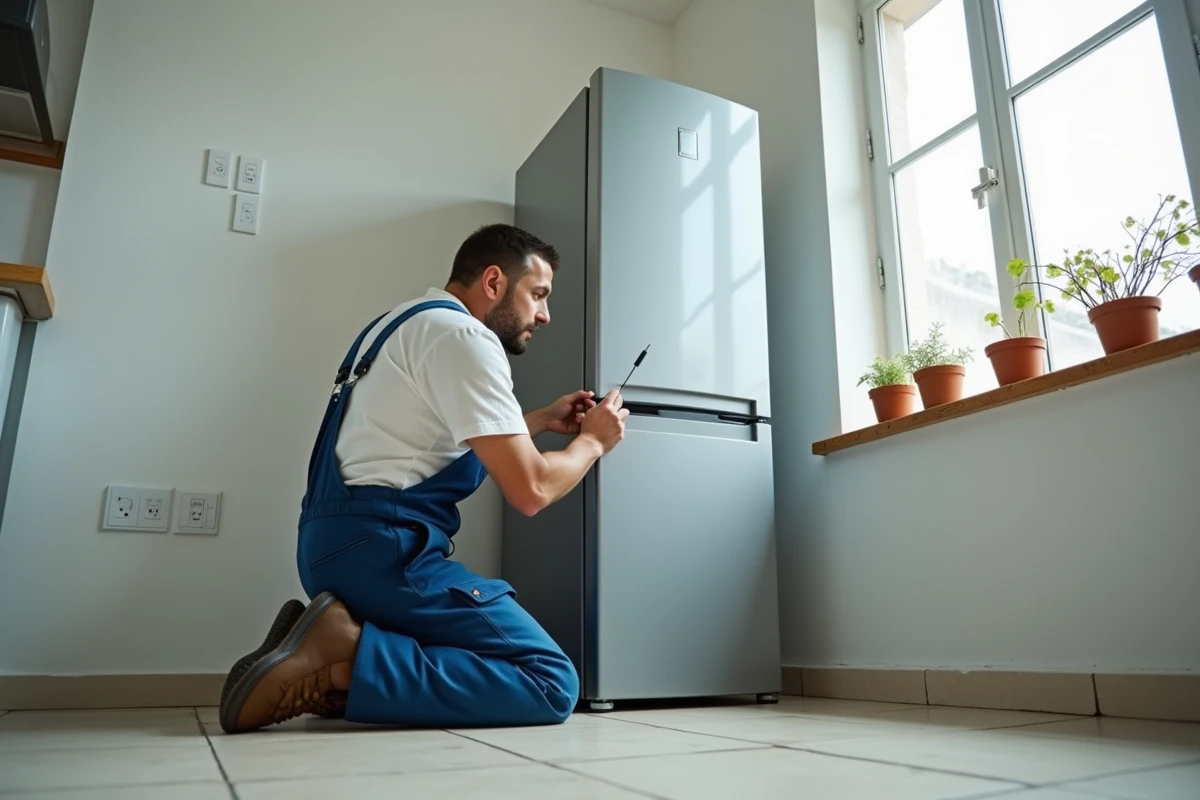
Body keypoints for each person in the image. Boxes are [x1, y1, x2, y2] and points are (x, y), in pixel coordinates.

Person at [218, 224, 629, 734]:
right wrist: (594, 442)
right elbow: (533, 489)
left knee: (469, 654)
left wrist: (541, 420)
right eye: (538, 294)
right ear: (494, 282)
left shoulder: (401, 324)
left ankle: (335, 657)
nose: (544, 314)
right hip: (385, 555)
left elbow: (434, 443)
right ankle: (341, 660)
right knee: (550, 680)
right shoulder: (466, 338)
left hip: (333, 548)